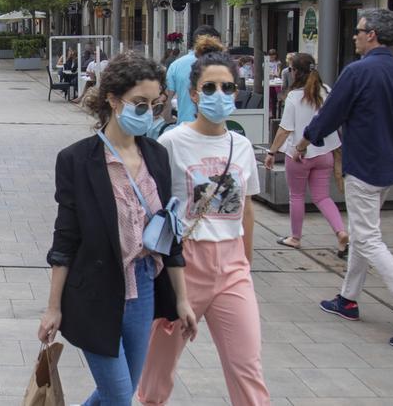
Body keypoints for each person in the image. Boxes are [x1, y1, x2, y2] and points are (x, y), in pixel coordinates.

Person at [39, 52, 195, 406]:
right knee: (119, 397)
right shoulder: (77, 160)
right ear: (112, 99)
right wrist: (53, 307)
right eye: (139, 103)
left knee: (118, 393)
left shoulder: (156, 155)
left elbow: (170, 233)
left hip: (142, 288)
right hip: (94, 292)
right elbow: (65, 238)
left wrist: (183, 298)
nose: (149, 113)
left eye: (155, 105)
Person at [294, 8, 393, 348]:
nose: (354, 36)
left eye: (358, 31)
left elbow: (330, 113)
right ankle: (348, 299)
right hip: (388, 170)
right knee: (361, 232)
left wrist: (304, 141)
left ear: (371, 34)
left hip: (362, 168)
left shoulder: (357, 72)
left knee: (369, 238)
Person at [139, 50, 270, 406]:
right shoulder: (170, 143)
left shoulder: (241, 147)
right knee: (157, 371)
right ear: (194, 93)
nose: (219, 95)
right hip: (184, 266)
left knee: (247, 366)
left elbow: (246, 211)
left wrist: (245, 263)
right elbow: (154, 208)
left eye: (227, 87)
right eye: (209, 87)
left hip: (232, 268)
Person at [264, 53, 348, 257]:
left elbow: (284, 129)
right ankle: (341, 232)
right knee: (322, 197)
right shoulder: (326, 91)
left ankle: (295, 237)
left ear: (295, 72)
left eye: (291, 69)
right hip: (325, 153)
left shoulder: (294, 97)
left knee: (297, 196)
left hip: (299, 154)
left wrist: (272, 152)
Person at [165, 25, 222, 124]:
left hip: (185, 124)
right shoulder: (221, 65)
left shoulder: (176, 65)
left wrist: (168, 119)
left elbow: (166, 99)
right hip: (215, 126)